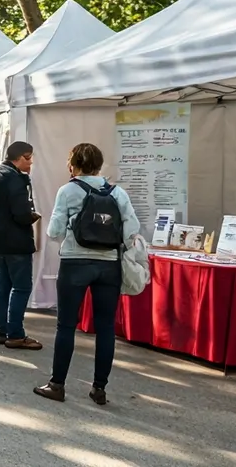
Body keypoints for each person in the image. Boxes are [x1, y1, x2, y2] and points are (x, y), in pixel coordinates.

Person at [35, 143, 140, 405]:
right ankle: (99, 388)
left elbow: (55, 231)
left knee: (66, 325)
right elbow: (131, 231)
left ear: (73, 165)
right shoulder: (118, 193)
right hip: (109, 265)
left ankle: (57, 384)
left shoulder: (68, 190)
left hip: (75, 262)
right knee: (105, 328)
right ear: (99, 165)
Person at [0, 141, 42, 350]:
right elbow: (20, 212)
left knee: (2, 284)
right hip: (15, 240)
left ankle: (2, 329)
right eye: (27, 158)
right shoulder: (13, 179)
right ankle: (15, 333)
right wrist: (31, 217)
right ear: (16, 158)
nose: (30, 162)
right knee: (21, 286)